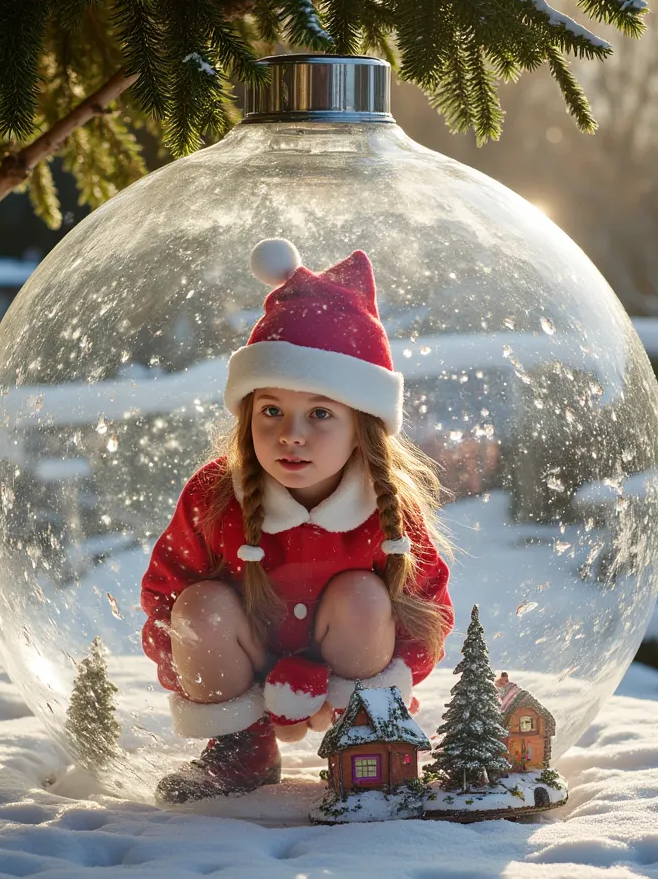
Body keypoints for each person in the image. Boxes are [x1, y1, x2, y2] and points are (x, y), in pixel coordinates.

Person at [141, 239, 454, 804]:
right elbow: (167, 594)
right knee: (201, 607)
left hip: (350, 670)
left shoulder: (387, 507)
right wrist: (192, 671)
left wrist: (386, 683)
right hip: (246, 662)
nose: (291, 434)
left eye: (320, 413)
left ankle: (365, 746)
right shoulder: (217, 495)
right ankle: (242, 751)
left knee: (366, 596)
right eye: (271, 410)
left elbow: (427, 608)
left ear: (362, 424)